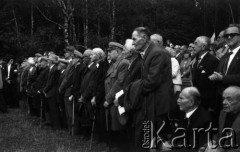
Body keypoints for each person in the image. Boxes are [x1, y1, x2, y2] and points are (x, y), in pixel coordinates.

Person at [131, 27, 174, 150]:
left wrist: (133, 90)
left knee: (153, 140)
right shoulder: (150, 52)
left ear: (144, 38)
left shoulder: (156, 53)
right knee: (147, 138)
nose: (133, 43)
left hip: (157, 104)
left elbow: (152, 82)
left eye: (134, 39)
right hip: (150, 102)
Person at [104, 41, 129, 151]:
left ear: (118, 52)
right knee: (112, 124)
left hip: (116, 99)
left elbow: (119, 83)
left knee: (119, 125)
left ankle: (120, 148)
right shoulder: (113, 64)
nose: (108, 53)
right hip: (111, 98)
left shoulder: (123, 63)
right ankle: (114, 146)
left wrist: (108, 99)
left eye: (110, 51)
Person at [200, 86, 240, 152]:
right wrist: (210, 145)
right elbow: (219, 134)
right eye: (223, 99)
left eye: (229, 99)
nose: (224, 102)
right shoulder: (223, 113)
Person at [191, 36, 219, 114]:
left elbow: (214, 85)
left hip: (207, 104)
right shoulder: (197, 60)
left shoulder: (213, 60)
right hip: (198, 101)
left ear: (203, 47)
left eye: (196, 43)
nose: (193, 46)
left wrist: (211, 106)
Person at [43, 54, 61, 130]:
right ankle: (54, 125)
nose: (48, 60)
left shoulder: (54, 69)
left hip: (52, 92)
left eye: (49, 59)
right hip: (50, 91)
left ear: (51, 61)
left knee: (54, 110)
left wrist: (45, 90)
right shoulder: (52, 69)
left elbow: (51, 82)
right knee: (52, 109)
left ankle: (57, 126)